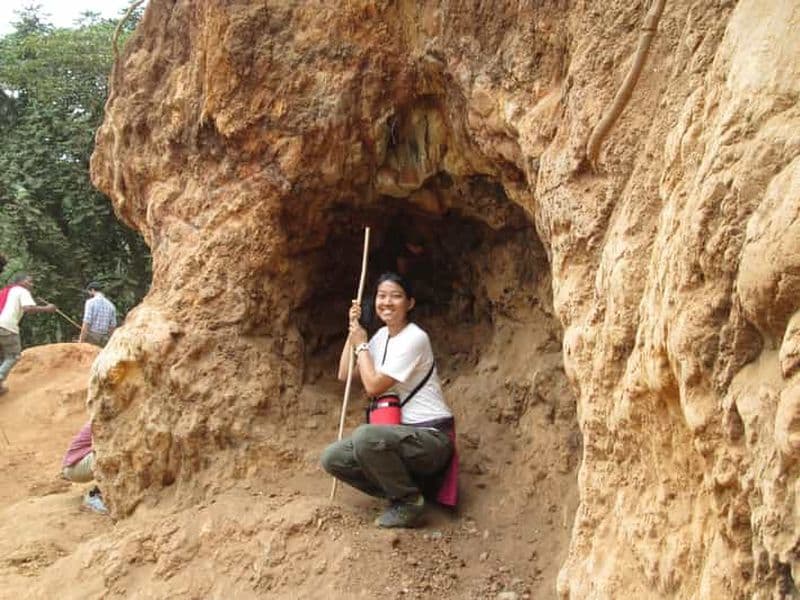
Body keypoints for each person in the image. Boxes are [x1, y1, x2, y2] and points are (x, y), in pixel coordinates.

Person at [321, 272, 457, 528]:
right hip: (401, 439)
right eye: (382, 296)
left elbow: (372, 386)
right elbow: (345, 374)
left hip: (430, 439)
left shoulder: (415, 338)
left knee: (365, 437)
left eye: (396, 296)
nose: (387, 302)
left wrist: (361, 345)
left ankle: (408, 501)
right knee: (333, 457)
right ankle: (403, 489)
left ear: (410, 303)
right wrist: (353, 334)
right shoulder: (381, 336)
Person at [0, 273, 57, 395]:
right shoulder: (22, 291)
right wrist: (47, 308)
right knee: (13, 356)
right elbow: (28, 308)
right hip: (6, 326)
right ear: (21, 282)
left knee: (1, 357)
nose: (32, 284)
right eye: (29, 281)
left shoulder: (5, 291)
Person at [61, 420, 108, 513]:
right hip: (74, 467)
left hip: (79, 464)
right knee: (109, 452)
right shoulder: (100, 419)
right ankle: (93, 495)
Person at [79, 281, 117, 347]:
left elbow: (86, 322)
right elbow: (112, 326)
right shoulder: (111, 305)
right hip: (105, 339)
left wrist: (81, 340)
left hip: (92, 337)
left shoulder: (90, 302)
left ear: (92, 290)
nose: (89, 293)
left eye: (89, 291)